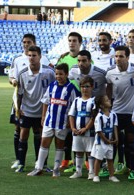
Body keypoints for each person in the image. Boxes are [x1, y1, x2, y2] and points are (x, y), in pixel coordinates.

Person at [27, 63, 79, 177]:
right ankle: (38, 168)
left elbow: (75, 107)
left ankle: (56, 169)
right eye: (56, 74)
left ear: (66, 74)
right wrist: (43, 116)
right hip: (49, 121)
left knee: (59, 145)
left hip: (63, 123)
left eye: (61, 74)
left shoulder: (71, 89)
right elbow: (46, 102)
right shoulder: (51, 86)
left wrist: (71, 123)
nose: (58, 76)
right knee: (44, 143)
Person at [9, 34, 52, 170]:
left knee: (41, 136)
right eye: (30, 56)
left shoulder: (49, 73)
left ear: (40, 57)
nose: (31, 58)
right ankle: (21, 163)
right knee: (23, 134)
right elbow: (20, 93)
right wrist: (18, 109)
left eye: (34, 55)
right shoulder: (22, 73)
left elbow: (52, 90)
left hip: (42, 110)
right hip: (27, 109)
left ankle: (41, 164)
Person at [106, 45, 134, 180]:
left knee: (131, 143)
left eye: (121, 56)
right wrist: (108, 106)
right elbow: (109, 89)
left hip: (132, 112)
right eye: (116, 56)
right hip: (116, 112)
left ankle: (132, 169)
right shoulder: (110, 73)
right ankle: (110, 168)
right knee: (113, 141)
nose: (118, 59)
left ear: (128, 57)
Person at [57, 32, 83, 171]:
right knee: (66, 129)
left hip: (80, 97)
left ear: (80, 43)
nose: (72, 43)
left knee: (78, 128)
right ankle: (67, 159)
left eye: (74, 41)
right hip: (65, 98)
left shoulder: (85, 59)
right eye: (70, 41)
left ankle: (81, 160)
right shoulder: (63, 59)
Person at [68, 76, 96, 179]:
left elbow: (93, 117)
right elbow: (71, 115)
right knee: (78, 151)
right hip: (77, 131)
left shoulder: (93, 101)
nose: (85, 89)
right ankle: (78, 171)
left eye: (87, 86)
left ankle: (91, 172)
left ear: (92, 87)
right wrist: (73, 128)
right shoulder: (76, 101)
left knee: (90, 151)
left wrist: (86, 128)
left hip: (89, 132)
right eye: (83, 86)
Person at [91, 95, 120, 183]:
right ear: (102, 105)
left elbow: (115, 126)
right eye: (107, 100)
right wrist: (105, 140)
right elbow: (99, 131)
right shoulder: (99, 116)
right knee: (99, 159)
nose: (109, 101)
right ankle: (96, 175)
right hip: (101, 142)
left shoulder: (113, 114)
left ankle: (111, 175)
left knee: (110, 159)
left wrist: (116, 138)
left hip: (110, 141)